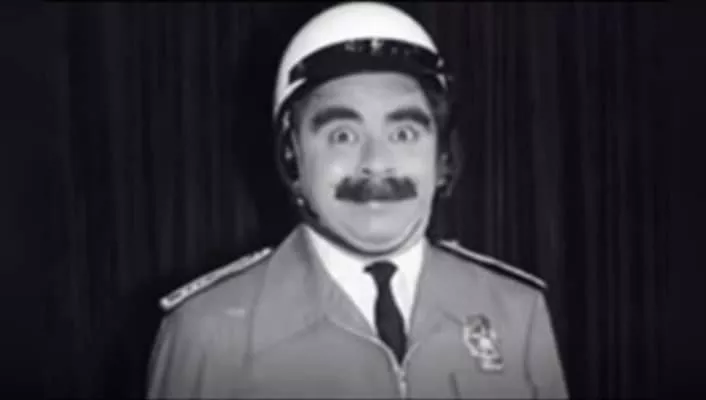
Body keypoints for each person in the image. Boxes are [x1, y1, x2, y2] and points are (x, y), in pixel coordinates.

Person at [146, 2, 568, 398]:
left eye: (404, 133)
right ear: (293, 157)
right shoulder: (206, 333)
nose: (376, 164)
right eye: (342, 135)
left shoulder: (516, 313)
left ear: (442, 157)